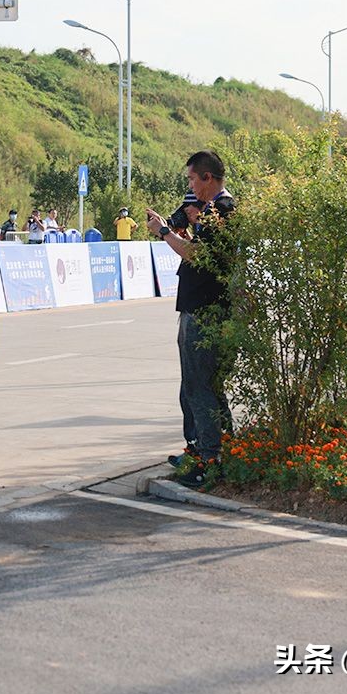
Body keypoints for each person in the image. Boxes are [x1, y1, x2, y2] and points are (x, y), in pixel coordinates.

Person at [146, 150, 237, 489]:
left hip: (206, 311)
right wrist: (178, 232)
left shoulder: (221, 211)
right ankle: (211, 449)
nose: (190, 186)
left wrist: (165, 232)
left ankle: (210, 458)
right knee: (200, 386)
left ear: (207, 178)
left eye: (191, 179)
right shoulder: (214, 213)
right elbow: (200, 251)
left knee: (200, 386)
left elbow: (198, 257)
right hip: (199, 308)